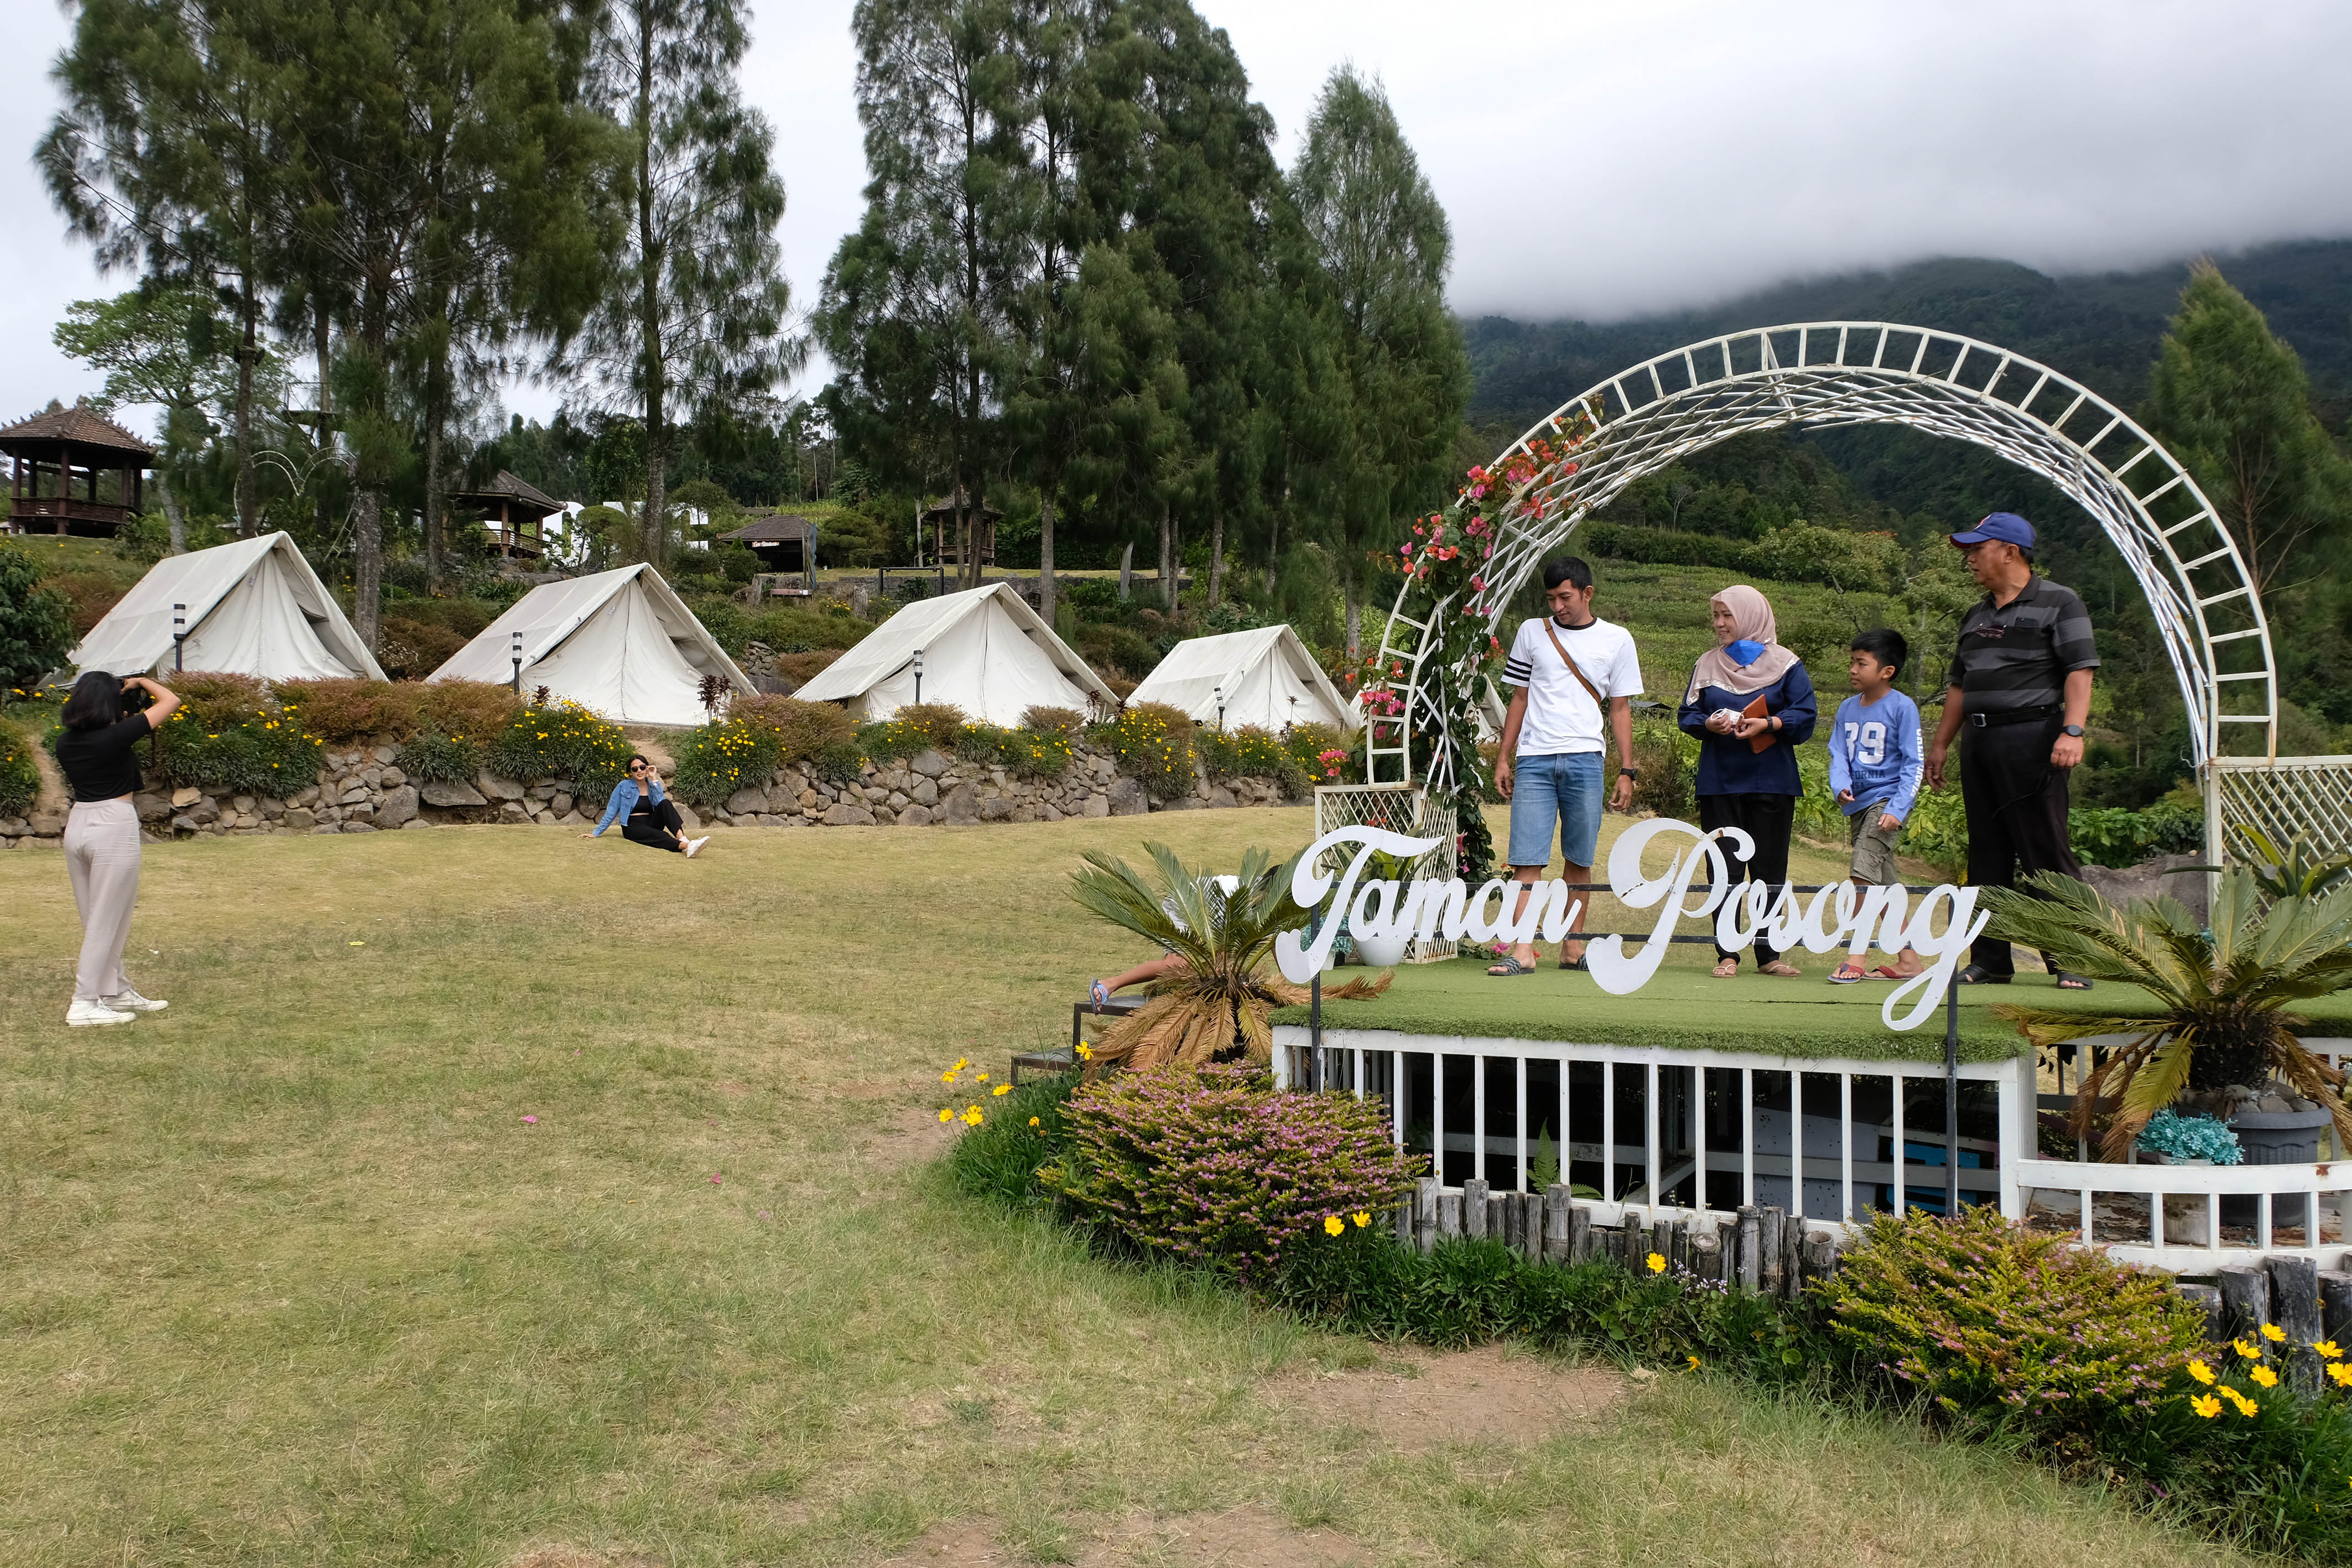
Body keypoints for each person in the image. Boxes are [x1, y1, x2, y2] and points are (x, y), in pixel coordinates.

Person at [1924, 512, 2098, 988]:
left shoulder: (2060, 602)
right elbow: (1960, 685)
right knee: (1987, 853)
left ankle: (2072, 959)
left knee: (2043, 848)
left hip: (2033, 737)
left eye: (1977, 549)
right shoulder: (1975, 614)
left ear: (2010, 551)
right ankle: (1991, 959)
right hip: (1979, 740)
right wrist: (1941, 744)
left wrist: (2073, 730)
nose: (1971, 559)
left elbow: (2079, 670)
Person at [1487, 556, 1643, 977]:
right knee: (1526, 859)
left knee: (1579, 858)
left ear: (1587, 593)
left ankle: (1573, 946)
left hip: (1586, 758)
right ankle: (1522, 949)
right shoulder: (1531, 632)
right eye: (1552, 598)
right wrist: (1504, 755)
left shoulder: (1617, 639)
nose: (1557, 606)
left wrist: (1627, 770)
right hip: (1535, 758)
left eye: (1566, 597)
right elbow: (1518, 698)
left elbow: (1621, 706)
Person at [1678, 585, 1817, 978]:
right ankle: (1727, 953)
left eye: (1727, 615)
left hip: (1772, 781)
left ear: (1750, 615)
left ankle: (1769, 954)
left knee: (1770, 869)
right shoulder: (1706, 664)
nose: (1719, 624)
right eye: (1717, 616)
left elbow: (1806, 715)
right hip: (1720, 782)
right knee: (1723, 870)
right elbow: (1686, 715)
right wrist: (1707, 723)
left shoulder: (1787, 663)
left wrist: (1769, 722)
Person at [53, 670, 181, 1026]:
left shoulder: (66, 742)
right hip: (113, 823)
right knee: (108, 918)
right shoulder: (116, 736)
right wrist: (140, 684)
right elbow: (171, 701)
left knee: (96, 916)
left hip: (79, 823)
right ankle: (83, 1003)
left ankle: (116, 989)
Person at [1826, 629, 1925, 984]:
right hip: (1859, 804)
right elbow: (1837, 752)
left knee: (1862, 875)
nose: (1852, 669)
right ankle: (1910, 961)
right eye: (1852, 661)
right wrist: (1840, 786)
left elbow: (1915, 764)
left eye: (1861, 663)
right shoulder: (1846, 708)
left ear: (1887, 671)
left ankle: (1855, 957)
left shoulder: (1902, 707)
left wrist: (1898, 809)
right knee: (1884, 884)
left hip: (1886, 804)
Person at [584, 756, 707, 856]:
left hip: (651, 822)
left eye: (642, 767)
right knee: (661, 836)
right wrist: (596, 833)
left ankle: (683, 839)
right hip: (632, 826)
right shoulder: (624, 786)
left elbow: (660, 802)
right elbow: (612, 810)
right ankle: (688, 846)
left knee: (666, 803)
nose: (639, 771)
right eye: (635, 769)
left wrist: (654, 779)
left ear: (647, 768)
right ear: (630, 773)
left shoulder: (651, 784)